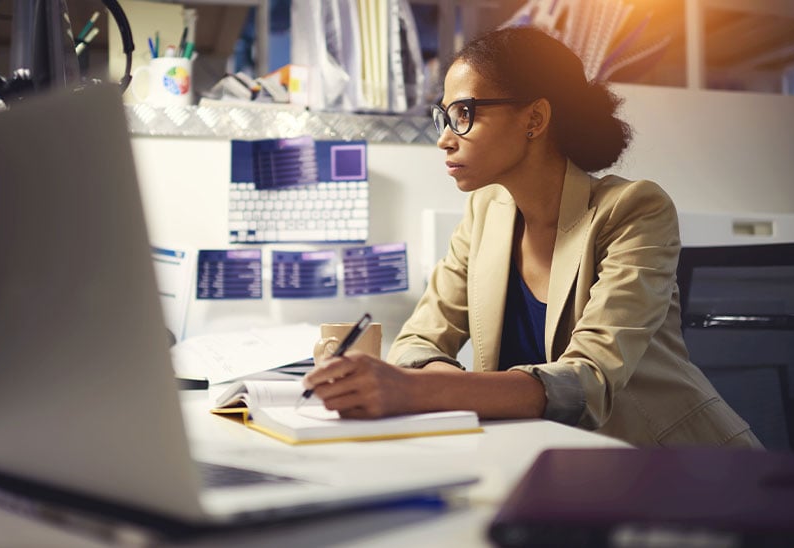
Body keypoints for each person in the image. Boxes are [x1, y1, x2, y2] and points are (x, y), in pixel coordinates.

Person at [303, 26, 761, 448]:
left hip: (674, 468)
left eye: (464, 113)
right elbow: (418, 341)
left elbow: (587, 381)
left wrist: (418, 388)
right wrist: (428, 384)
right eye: (444, 116)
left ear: (535, 119)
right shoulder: (485, 212)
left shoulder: (634, 210)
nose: (445, 138)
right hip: (548, 461)